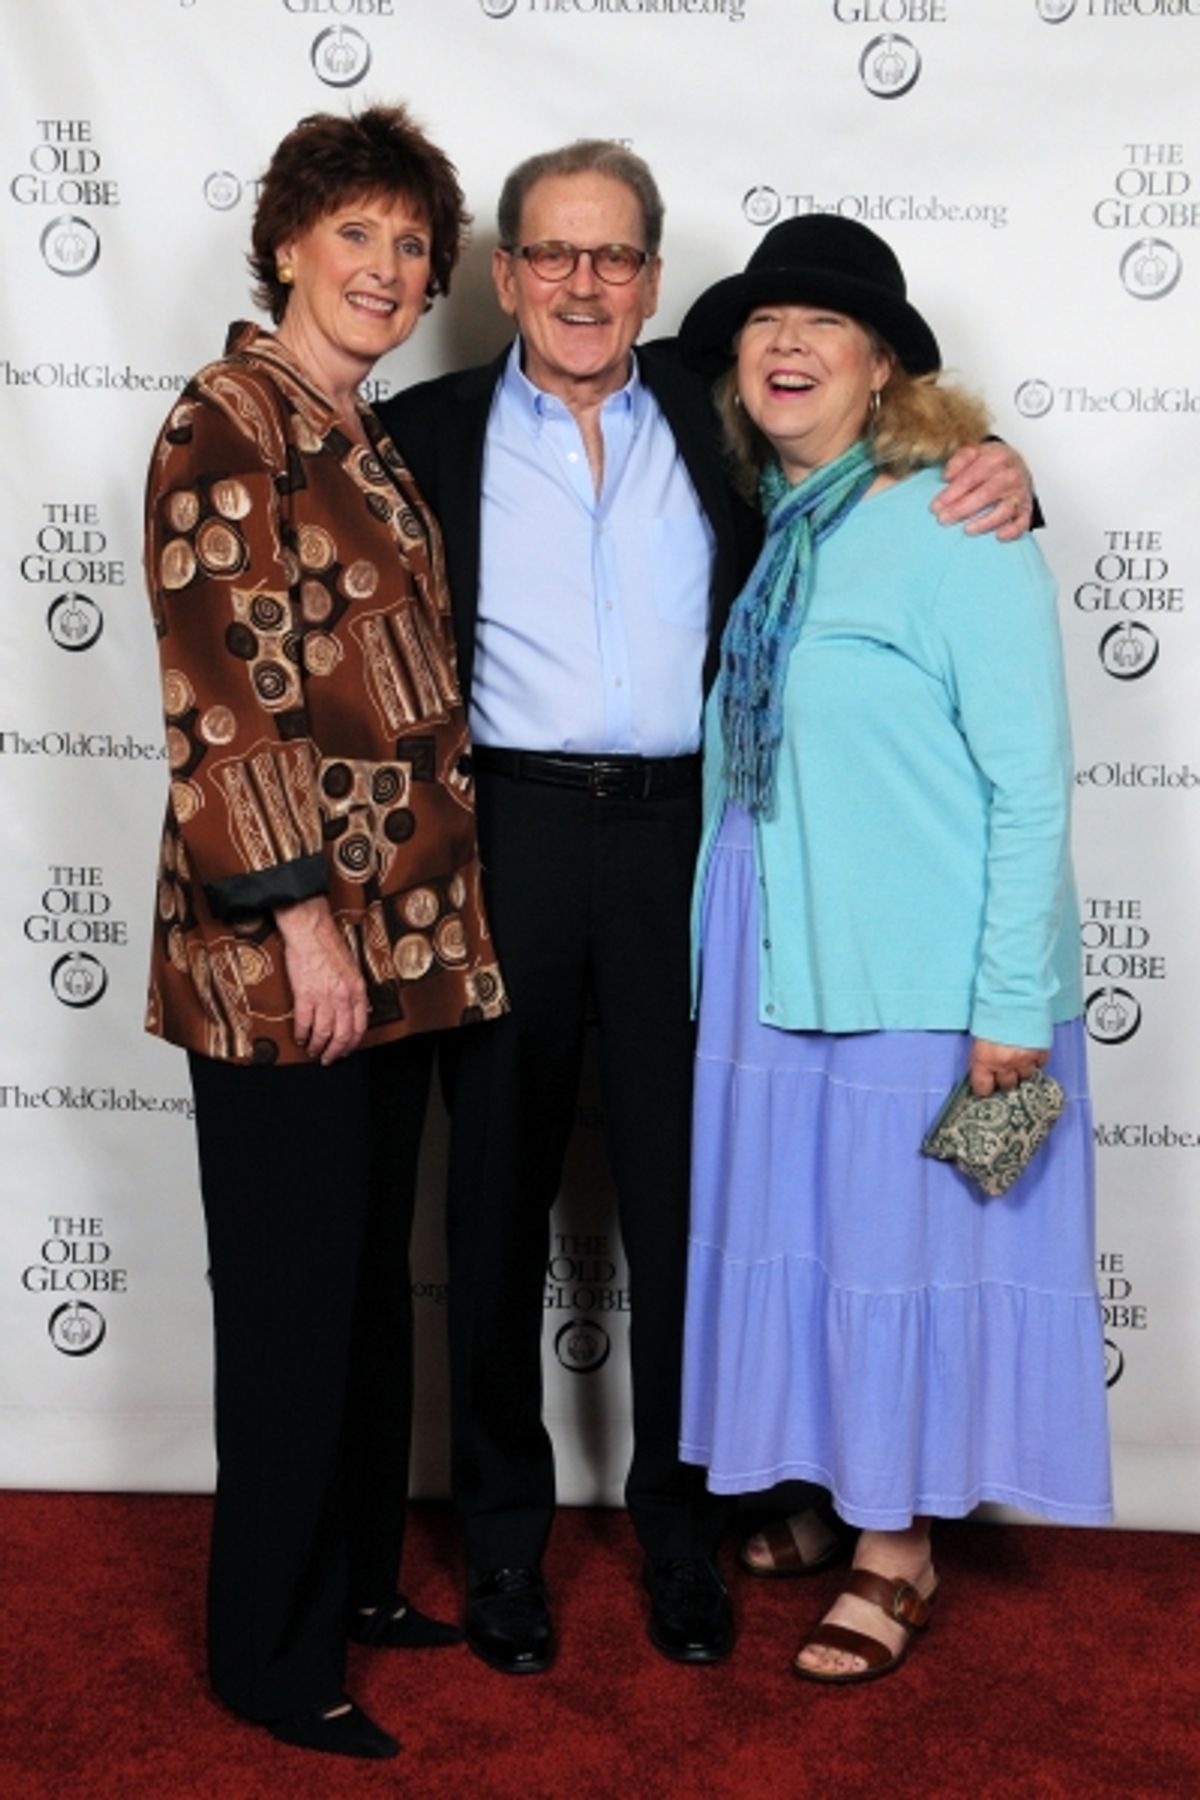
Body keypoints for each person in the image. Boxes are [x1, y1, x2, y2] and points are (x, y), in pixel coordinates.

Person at [379, 140, 1035, 1675]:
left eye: (614, 258)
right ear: (505, 275)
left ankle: (685, 1531)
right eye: (553, 256)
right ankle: (500, 1543)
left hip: (691, 845)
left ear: (657, 284)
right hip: (509, 837)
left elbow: (889, 468)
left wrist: (1012, 474)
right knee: (488, 1200)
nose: (583, 284)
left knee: (698, 1203)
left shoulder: (718, 408)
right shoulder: (423, 430)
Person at [675, 214, 1113, 1684]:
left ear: (884, 374)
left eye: (827, 326)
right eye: (763, 323)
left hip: (922, 982)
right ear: (737, 367)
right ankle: (833, 1482)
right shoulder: (783, 523)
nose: (788, 343)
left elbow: (1030, 781)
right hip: (776, 957)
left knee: (909, 1254)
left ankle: (900, 1549)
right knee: (810, 1247)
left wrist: (1009, 1013)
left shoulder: (954, 522)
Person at [143, 107, 505, 1759]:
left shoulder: (358, 432)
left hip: (408, 936)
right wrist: (301, 931)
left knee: (365, 1289)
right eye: (357, 234)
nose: (389, 268)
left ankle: (357, 1578)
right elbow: (229, 697)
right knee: (295, 1304)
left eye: (415, 246)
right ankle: (268, 1654)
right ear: (287, 243)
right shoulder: (231, 419)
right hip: (295, 951)